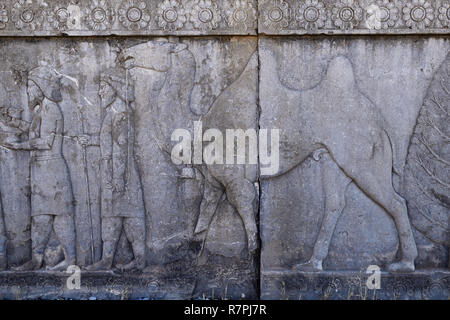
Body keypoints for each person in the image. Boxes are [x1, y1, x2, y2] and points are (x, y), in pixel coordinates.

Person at [0, 66, 76, 271]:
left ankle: (71, 259)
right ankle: (36, 260)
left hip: (52, 170)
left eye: (30, 87)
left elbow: (46, 142)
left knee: (60, 216)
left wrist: (20, 146)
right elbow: (33, 130)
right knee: (41, 217)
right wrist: (14, 122)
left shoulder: (51, 108)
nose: (28, 92)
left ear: (40, 87)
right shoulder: (39, 109)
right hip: (41, 172)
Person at [86, 67, 146, 271]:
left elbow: (120, 148)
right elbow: (110, 142)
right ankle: (108, 259)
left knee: (128, 216)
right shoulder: (114, 112)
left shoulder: (120, 113)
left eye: (103, 86)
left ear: (115, 87)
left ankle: (138, 261)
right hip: (115, 171)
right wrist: (91, 140)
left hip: (121, 173)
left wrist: (118, 178)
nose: (100, 91)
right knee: (113, 215)